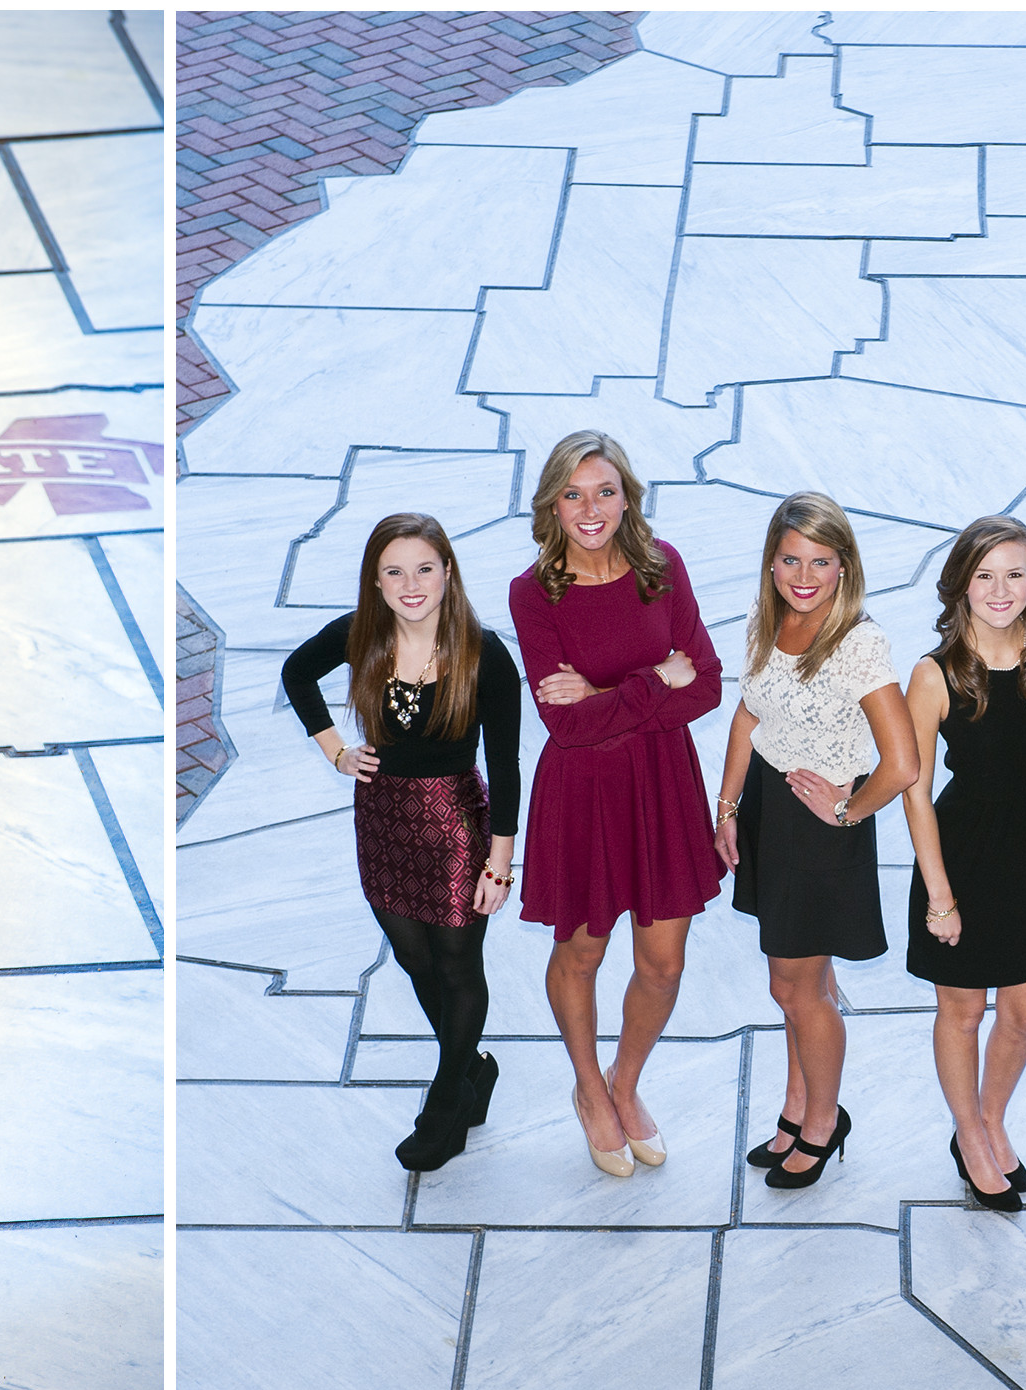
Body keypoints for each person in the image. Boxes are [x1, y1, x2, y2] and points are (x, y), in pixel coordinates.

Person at [509, 432, 725, 1177]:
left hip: (663, 785)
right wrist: (648, 684)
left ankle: (624, 1084)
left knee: (662, 964)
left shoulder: (663, 569)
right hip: (584, 793)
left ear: (627, 495)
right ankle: (587, 1089)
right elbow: (564, 724)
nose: (590, 508)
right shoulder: (535, 593)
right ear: (552, 506)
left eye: (603, 491)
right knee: (584, 949)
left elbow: (706, 685)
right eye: (572, 494)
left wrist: (608, 694)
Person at [281, 514, 523, 1172]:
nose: (410, 583)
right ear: (377, 583)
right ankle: (472, 1069)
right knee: (414, 959)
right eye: (394, 571)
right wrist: (333, 748)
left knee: (457, 965)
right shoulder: (361, 636)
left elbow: (506, 768)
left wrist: (499, 863)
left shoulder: (485, 653)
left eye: (424, 568)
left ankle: (445, 1105)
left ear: (448, 573)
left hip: (453, 828)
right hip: (381, 820)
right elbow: (297, 673)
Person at [714, 493, 919, 1190]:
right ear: (772, 563)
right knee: (805, 983)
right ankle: (798, 1104)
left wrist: (846, 812)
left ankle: (825, 1122)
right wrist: (729, 804)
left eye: (821, 561)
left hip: (819, 833)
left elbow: (902, 764)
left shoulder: (859, 643)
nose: (804, 575)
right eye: (791, 559)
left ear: (843, 566)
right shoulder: (762, 621)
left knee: (795, 989)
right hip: (771, 809)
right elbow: (749, 715)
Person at [903, 517, 1026, 1211]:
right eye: (985, 575)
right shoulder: (935, 672)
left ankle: (993, 1114)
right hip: (965, 850)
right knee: (964, 1008)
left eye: (1015, 573)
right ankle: (969, 1133)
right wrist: (939, 894)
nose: (1000, 589)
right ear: (961, 583)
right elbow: (913, 787)